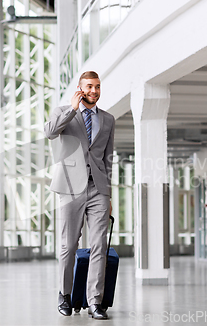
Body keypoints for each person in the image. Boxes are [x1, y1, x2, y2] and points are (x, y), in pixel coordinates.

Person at [44, 71, 115, 320]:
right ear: (79, 88)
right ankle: (65, 295)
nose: (94, 91)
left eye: (97, 87)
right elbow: (50, 132)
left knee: (98, 246)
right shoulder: (63, 112)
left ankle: (95, 301)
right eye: (89, 86)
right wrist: (72, 109)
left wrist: (108, 194)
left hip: (98, 189)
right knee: (69, 245)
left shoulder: (108, 120)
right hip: (70, 187)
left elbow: (107, 159)